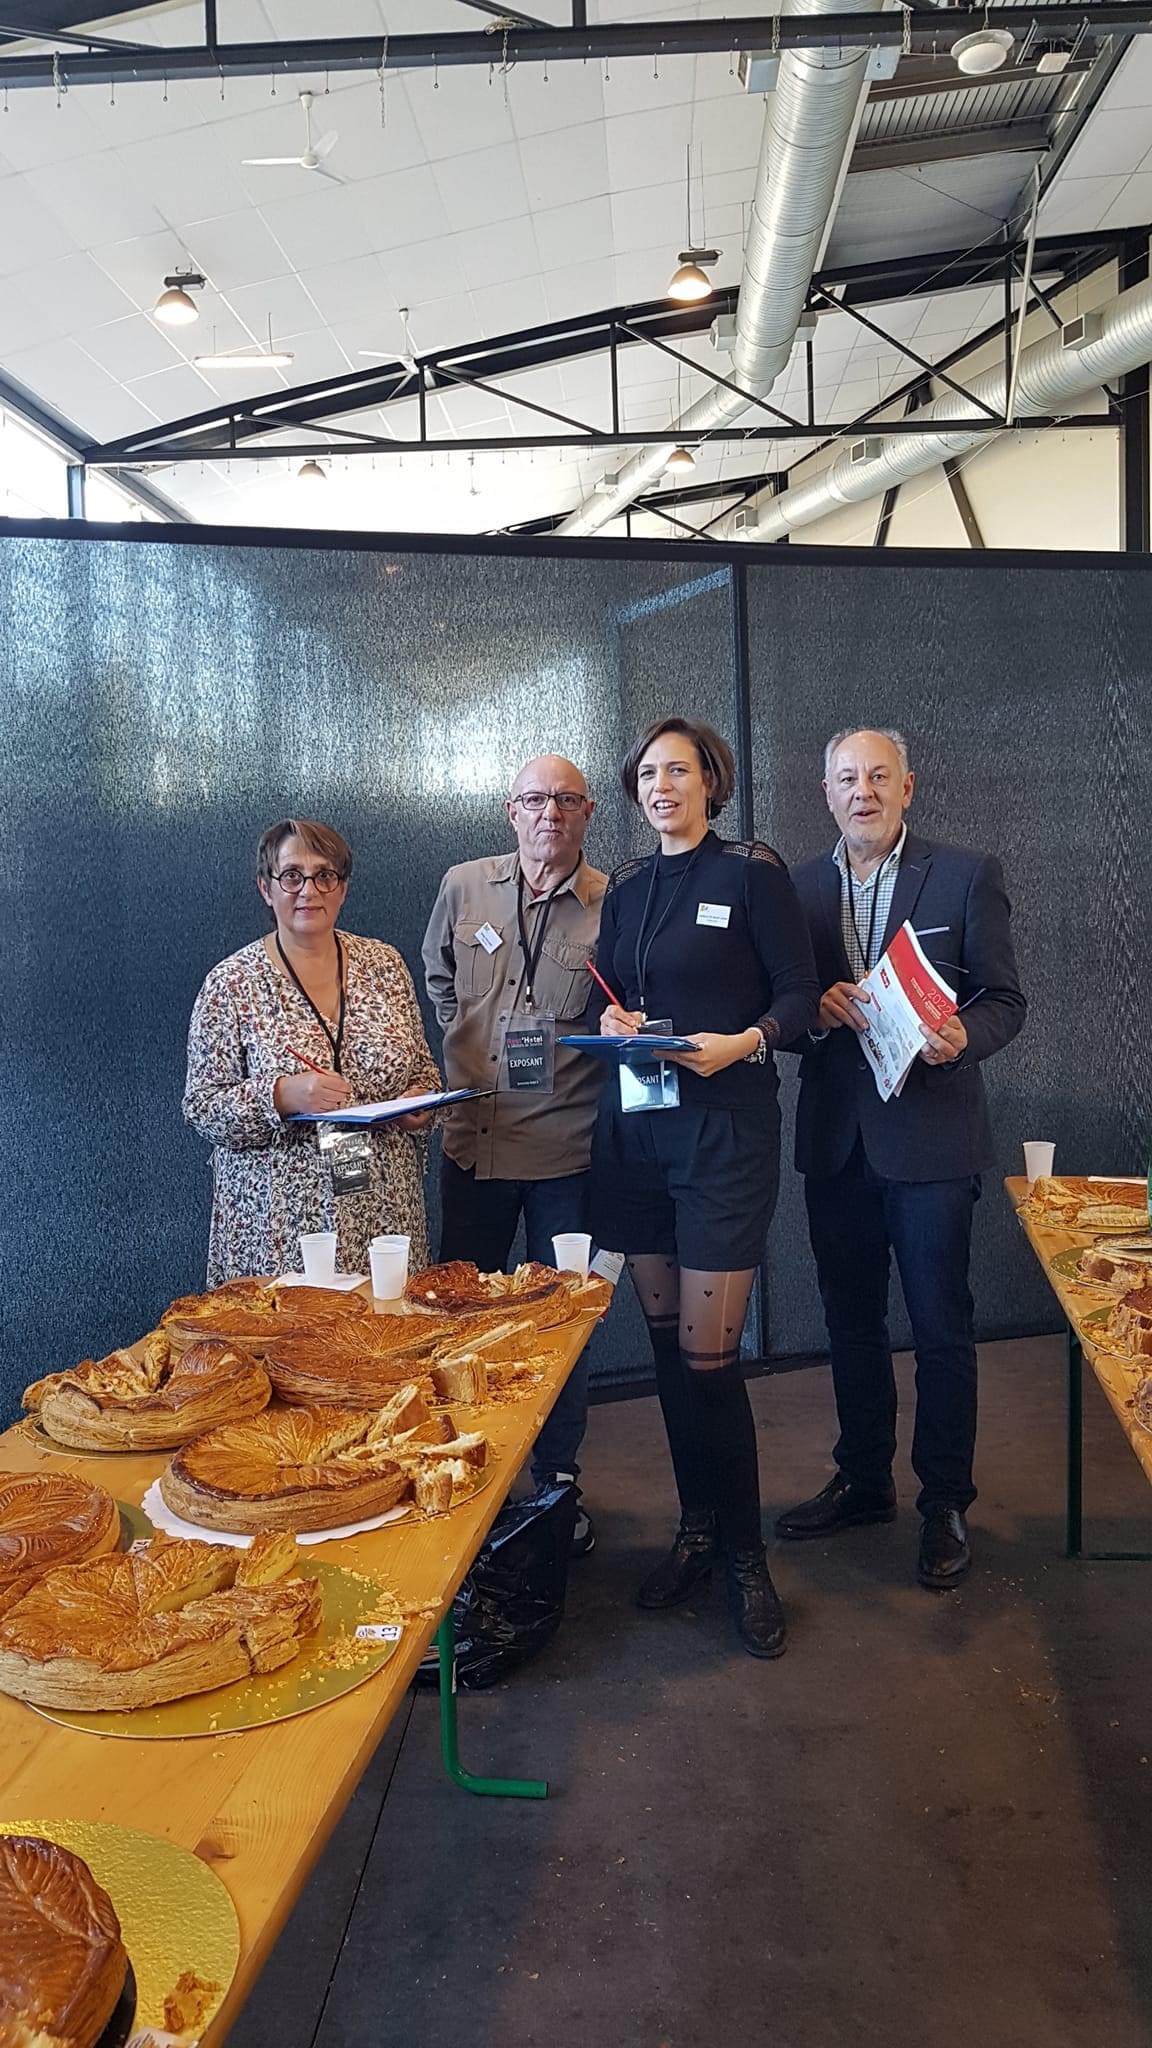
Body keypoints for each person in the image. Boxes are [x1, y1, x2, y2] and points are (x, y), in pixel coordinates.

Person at [588, 717, 820, 1659]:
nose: (660, 786)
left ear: (711, 781)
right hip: (637, 1131)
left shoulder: (753, 872)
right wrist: (616, 1020)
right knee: (661, 1344)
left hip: (725, 1130)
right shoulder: (631, 886)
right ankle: (694, 1527)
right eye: (646, 773)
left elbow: (800, 999)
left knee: (710, 1356)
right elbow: (615, 995)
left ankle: (744, 1557)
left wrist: (746, 1041)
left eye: (677, 770)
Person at [775, 729, 1026, 1589]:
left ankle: (946, 1501)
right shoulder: (797, 886)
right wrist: (814, 1012)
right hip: (838, 1141)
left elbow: (1006, 1000)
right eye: (848, 778)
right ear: (826, 792)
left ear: (909, 787)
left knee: (940, 1327)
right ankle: (864, 1478)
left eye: (880, 776)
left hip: (931, 1138)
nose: (864, 791)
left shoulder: (963, 873)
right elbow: (781, 1012)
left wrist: (964, 1039)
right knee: (850, 1323)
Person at [422, 756, 607, 1553]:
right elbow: (439, 981)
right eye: (535, 800)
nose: (550, 814)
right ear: (511, 810)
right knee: (462, 1324)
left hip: (566, 1152)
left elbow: (617, 1015)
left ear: (588, 813)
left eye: (566, 801)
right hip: (472, 1147)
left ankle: (558, 1485)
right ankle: (468, 1470)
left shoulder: (612, 903)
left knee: (555, 1325)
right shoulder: (465, 887)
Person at [184, 819, 440, 1286]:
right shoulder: (231, 984)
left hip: (385, 1213)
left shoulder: (384, 964)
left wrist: (420, 1103)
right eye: (291, 876)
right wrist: (283, 1095)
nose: (309, 890)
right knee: (288, 1352)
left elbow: (423, 1068)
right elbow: (202, 1107)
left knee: (386, 1347)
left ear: (342, 888)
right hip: (279, 1229)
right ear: (266, 888)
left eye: (325, 875)